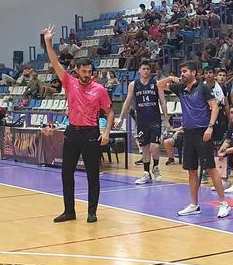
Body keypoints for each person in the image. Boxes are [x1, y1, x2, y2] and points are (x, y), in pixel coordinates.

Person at [43, 25, 114, 224]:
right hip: (72, 133)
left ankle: (92, 212)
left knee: (93, 175)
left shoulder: (99, 89)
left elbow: (109, 112)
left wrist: (106, 131)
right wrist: (48, 41)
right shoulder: (69, 82)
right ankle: (69, 211)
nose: (87, 75)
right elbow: (55, 63)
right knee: (67, 173)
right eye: (83, 71)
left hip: (91, 134)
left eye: (89, 72)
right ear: (77, 70)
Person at [156, 62, 231, 218]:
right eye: (181, 71)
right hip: (188, 133)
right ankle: (194, 204)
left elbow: (215, 107)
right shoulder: (180, 88)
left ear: (194, 73)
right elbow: (159, 85)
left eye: (185, 71)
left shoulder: (203, 88)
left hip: (202, 133)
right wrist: (170, 77)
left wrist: (210, 127)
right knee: (191, 170)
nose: (182, 74)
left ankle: (224, 203)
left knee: (210, 168)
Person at [115, 61, 169, 185]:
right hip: (141, 120)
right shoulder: (134, 84)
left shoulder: (156, 83)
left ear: (150, 71)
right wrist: (121, 118)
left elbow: (163, 101)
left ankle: (155, 167)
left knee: (154, 146)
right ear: (139, 70)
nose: (146, 71)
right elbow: (127, 102)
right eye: (143, 68)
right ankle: (146, 173)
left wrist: (166, 120)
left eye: (148, 69)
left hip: (155, 119)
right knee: (144, 147)